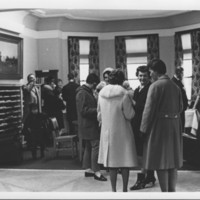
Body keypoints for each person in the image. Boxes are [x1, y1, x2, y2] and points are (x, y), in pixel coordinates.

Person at [140, 59, 183, 192]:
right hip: (174, 126)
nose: (150, 74)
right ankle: (172, 191)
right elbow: (181, 108)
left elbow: (148, 111)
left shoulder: (155, 86)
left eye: (151, 72)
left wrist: (143, 129)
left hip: (160, 127)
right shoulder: (175, 86)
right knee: (172, 162)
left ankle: (165, 193)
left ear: (156, 72)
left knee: (161, 161)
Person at [97, 69, 138, 192]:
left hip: (107, 132)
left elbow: (98, 115)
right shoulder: (124, 94)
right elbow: (129, 115)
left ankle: (113, 190)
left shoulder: (101, 94)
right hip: (123, 131)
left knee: (112, 164)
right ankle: (124, 189)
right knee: (125, 161)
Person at [76, 73, 107, 182]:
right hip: (88, 125)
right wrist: (98, 111)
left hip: (87, 125)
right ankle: (96, 172)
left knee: (89, 147)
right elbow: (83, 110)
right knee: (95, 146)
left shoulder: (84, 92)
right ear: (94, 83)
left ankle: (88, 169)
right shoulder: (82, 93)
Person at [130, 66, 156, 190]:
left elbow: (145, 107)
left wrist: (131, 101)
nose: (142, 78)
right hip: (136, 124)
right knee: (142, 151)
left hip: (145, 125)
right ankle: (150, 176)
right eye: (140, 75)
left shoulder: (151, 88)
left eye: (144, 75)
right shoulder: (136, 90)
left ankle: (142, 179)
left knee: (144, 152)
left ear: (149, 76)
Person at [171, 66, 188, 131]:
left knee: (181, 127)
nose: (183, 75)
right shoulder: (173, 82)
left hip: (182, 108)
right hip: (178, 110)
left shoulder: (179, 81)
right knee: (179, 129)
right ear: (179, 73)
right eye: (182, 73)